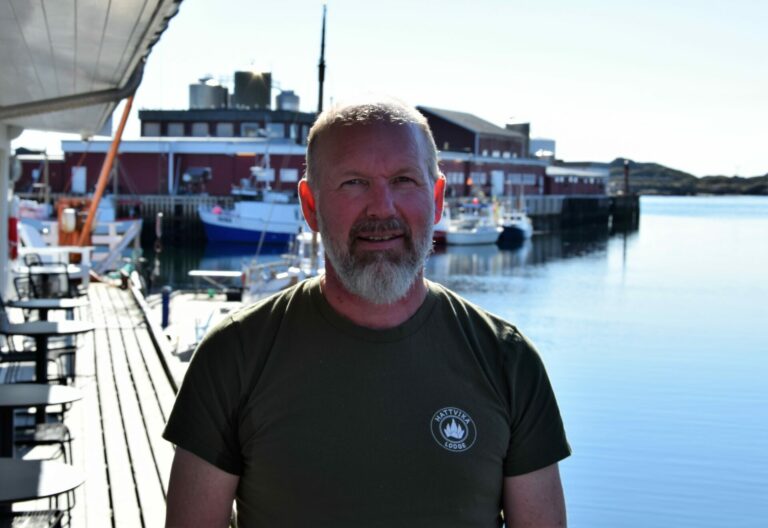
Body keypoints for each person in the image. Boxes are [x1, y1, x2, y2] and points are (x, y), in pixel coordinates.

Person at [164, 98, 571, 528]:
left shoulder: (507, 360)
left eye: (403, 180)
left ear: (436, 199)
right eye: (354, 182)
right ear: (310, 205)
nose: (382, 208)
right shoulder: (234, 355)